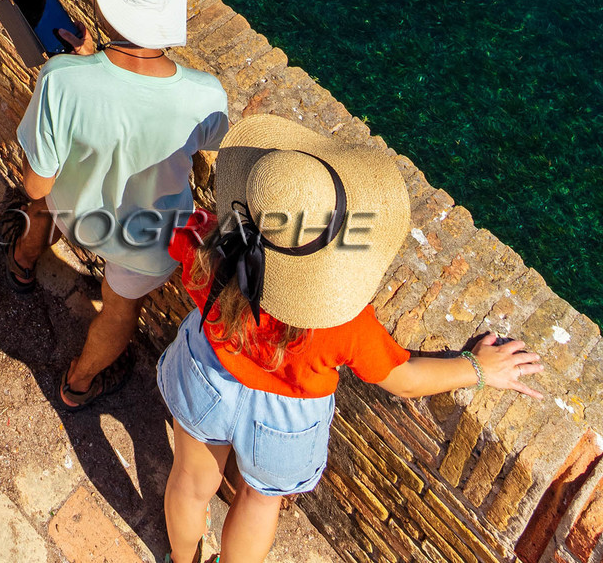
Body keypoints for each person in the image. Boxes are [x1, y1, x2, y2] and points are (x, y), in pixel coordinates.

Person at [157, 115, 542, 563]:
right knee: (259, 503)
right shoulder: (345, 323)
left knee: (190, 482)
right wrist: (476, 367)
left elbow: (169, 229)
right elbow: (403, 379)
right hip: (285, 419)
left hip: (206, 376)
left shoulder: (206, 240)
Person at [9, 0, 229, 411]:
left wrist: (85, 65)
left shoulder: (62, 80)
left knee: (41, 204)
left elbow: (35, 183)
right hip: (145, 245)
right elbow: (204, 137)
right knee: (118, 311)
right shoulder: (207, 96)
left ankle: (21, 264)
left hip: (74, 214)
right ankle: (77, 385)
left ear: (106, 3)